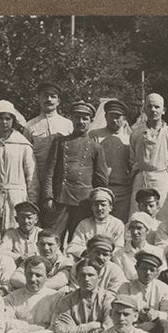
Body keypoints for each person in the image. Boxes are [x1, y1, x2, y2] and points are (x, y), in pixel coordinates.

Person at [42, 100, 109, 244]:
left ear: (91, 121)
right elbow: (49, 173)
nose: (81, 121)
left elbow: (101, 181)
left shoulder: (96, 147)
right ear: (72, 119)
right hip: (60, 199)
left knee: (79, 241)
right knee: (53, 238)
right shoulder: (59, 142)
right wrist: (48, 196)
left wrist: (95, 202)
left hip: (83, 202)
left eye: (85, 118)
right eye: (77, 117)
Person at [129, 93, 168, 225]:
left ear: (163, 110)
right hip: (141, 179)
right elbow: (131, 160)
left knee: (162, 216)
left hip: (162, 180)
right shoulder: (135, 133)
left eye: (157, 107)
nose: (153, 110)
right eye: (150, 106)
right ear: (144, 109)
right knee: (137, 217)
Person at [0, 100, 37, 230]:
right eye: (1, 118)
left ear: (13, 121)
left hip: (17, 195)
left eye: (8, 119)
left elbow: (31, 175)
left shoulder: (22, 144)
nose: (4, 122)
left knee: (16, 230)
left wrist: (32, 200)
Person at [51, 258, 113, 333]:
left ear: (98, 277)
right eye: (82, 275)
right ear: (76, 278)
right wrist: (92, 325)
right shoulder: (67, 300)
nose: (86, 279)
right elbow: (62, 331)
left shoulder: (107, 299)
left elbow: (108, 329)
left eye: (91, 275)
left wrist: (76, 330)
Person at [24, 81, 73, 206]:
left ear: (58, 101)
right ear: (38, 99)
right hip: (38, 177)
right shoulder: (30, 126)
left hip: (62, 179)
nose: (49, 99)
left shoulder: (67, 124)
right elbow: (26, 155)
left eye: (53, 96)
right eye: (45, 96)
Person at [88, 98, 134, 222]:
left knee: (120, 224)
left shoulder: (129, 138)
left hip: (124, 189)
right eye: (111, 116)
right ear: (105, 116)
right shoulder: (95, 135)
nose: (114, 120)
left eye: (118, 117)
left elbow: (134, 163)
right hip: (101, 187)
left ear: (123, 118)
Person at [117, 250, 168, 333]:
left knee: (166, 325)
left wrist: (157, 314)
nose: (148, 273)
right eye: (144, 269)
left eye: (152, 270)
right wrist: (138, 315)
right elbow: (121, 310)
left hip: (155, 329)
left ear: (157, 272)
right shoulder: (126, 288)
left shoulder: (164, 289)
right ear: (136, 268)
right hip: (132, 328)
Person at [66, 187, 126, 259]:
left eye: (103, 205)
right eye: (96, 205)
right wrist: (90, 253)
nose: (99, 208)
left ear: (110, 207)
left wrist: (104, 255)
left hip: (109, 260)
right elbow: (74, 245)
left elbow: (119, 247)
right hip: (87, 260)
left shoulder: (117, 224)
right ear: (92, 207)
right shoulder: (84, 224)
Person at [115, 213, 165, 281]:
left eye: (139, 228)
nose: (135, 232)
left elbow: (161, 275)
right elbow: (119, 278)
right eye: (132, 228)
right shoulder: (119, 254)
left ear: (147, 230)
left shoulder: (158, 252)